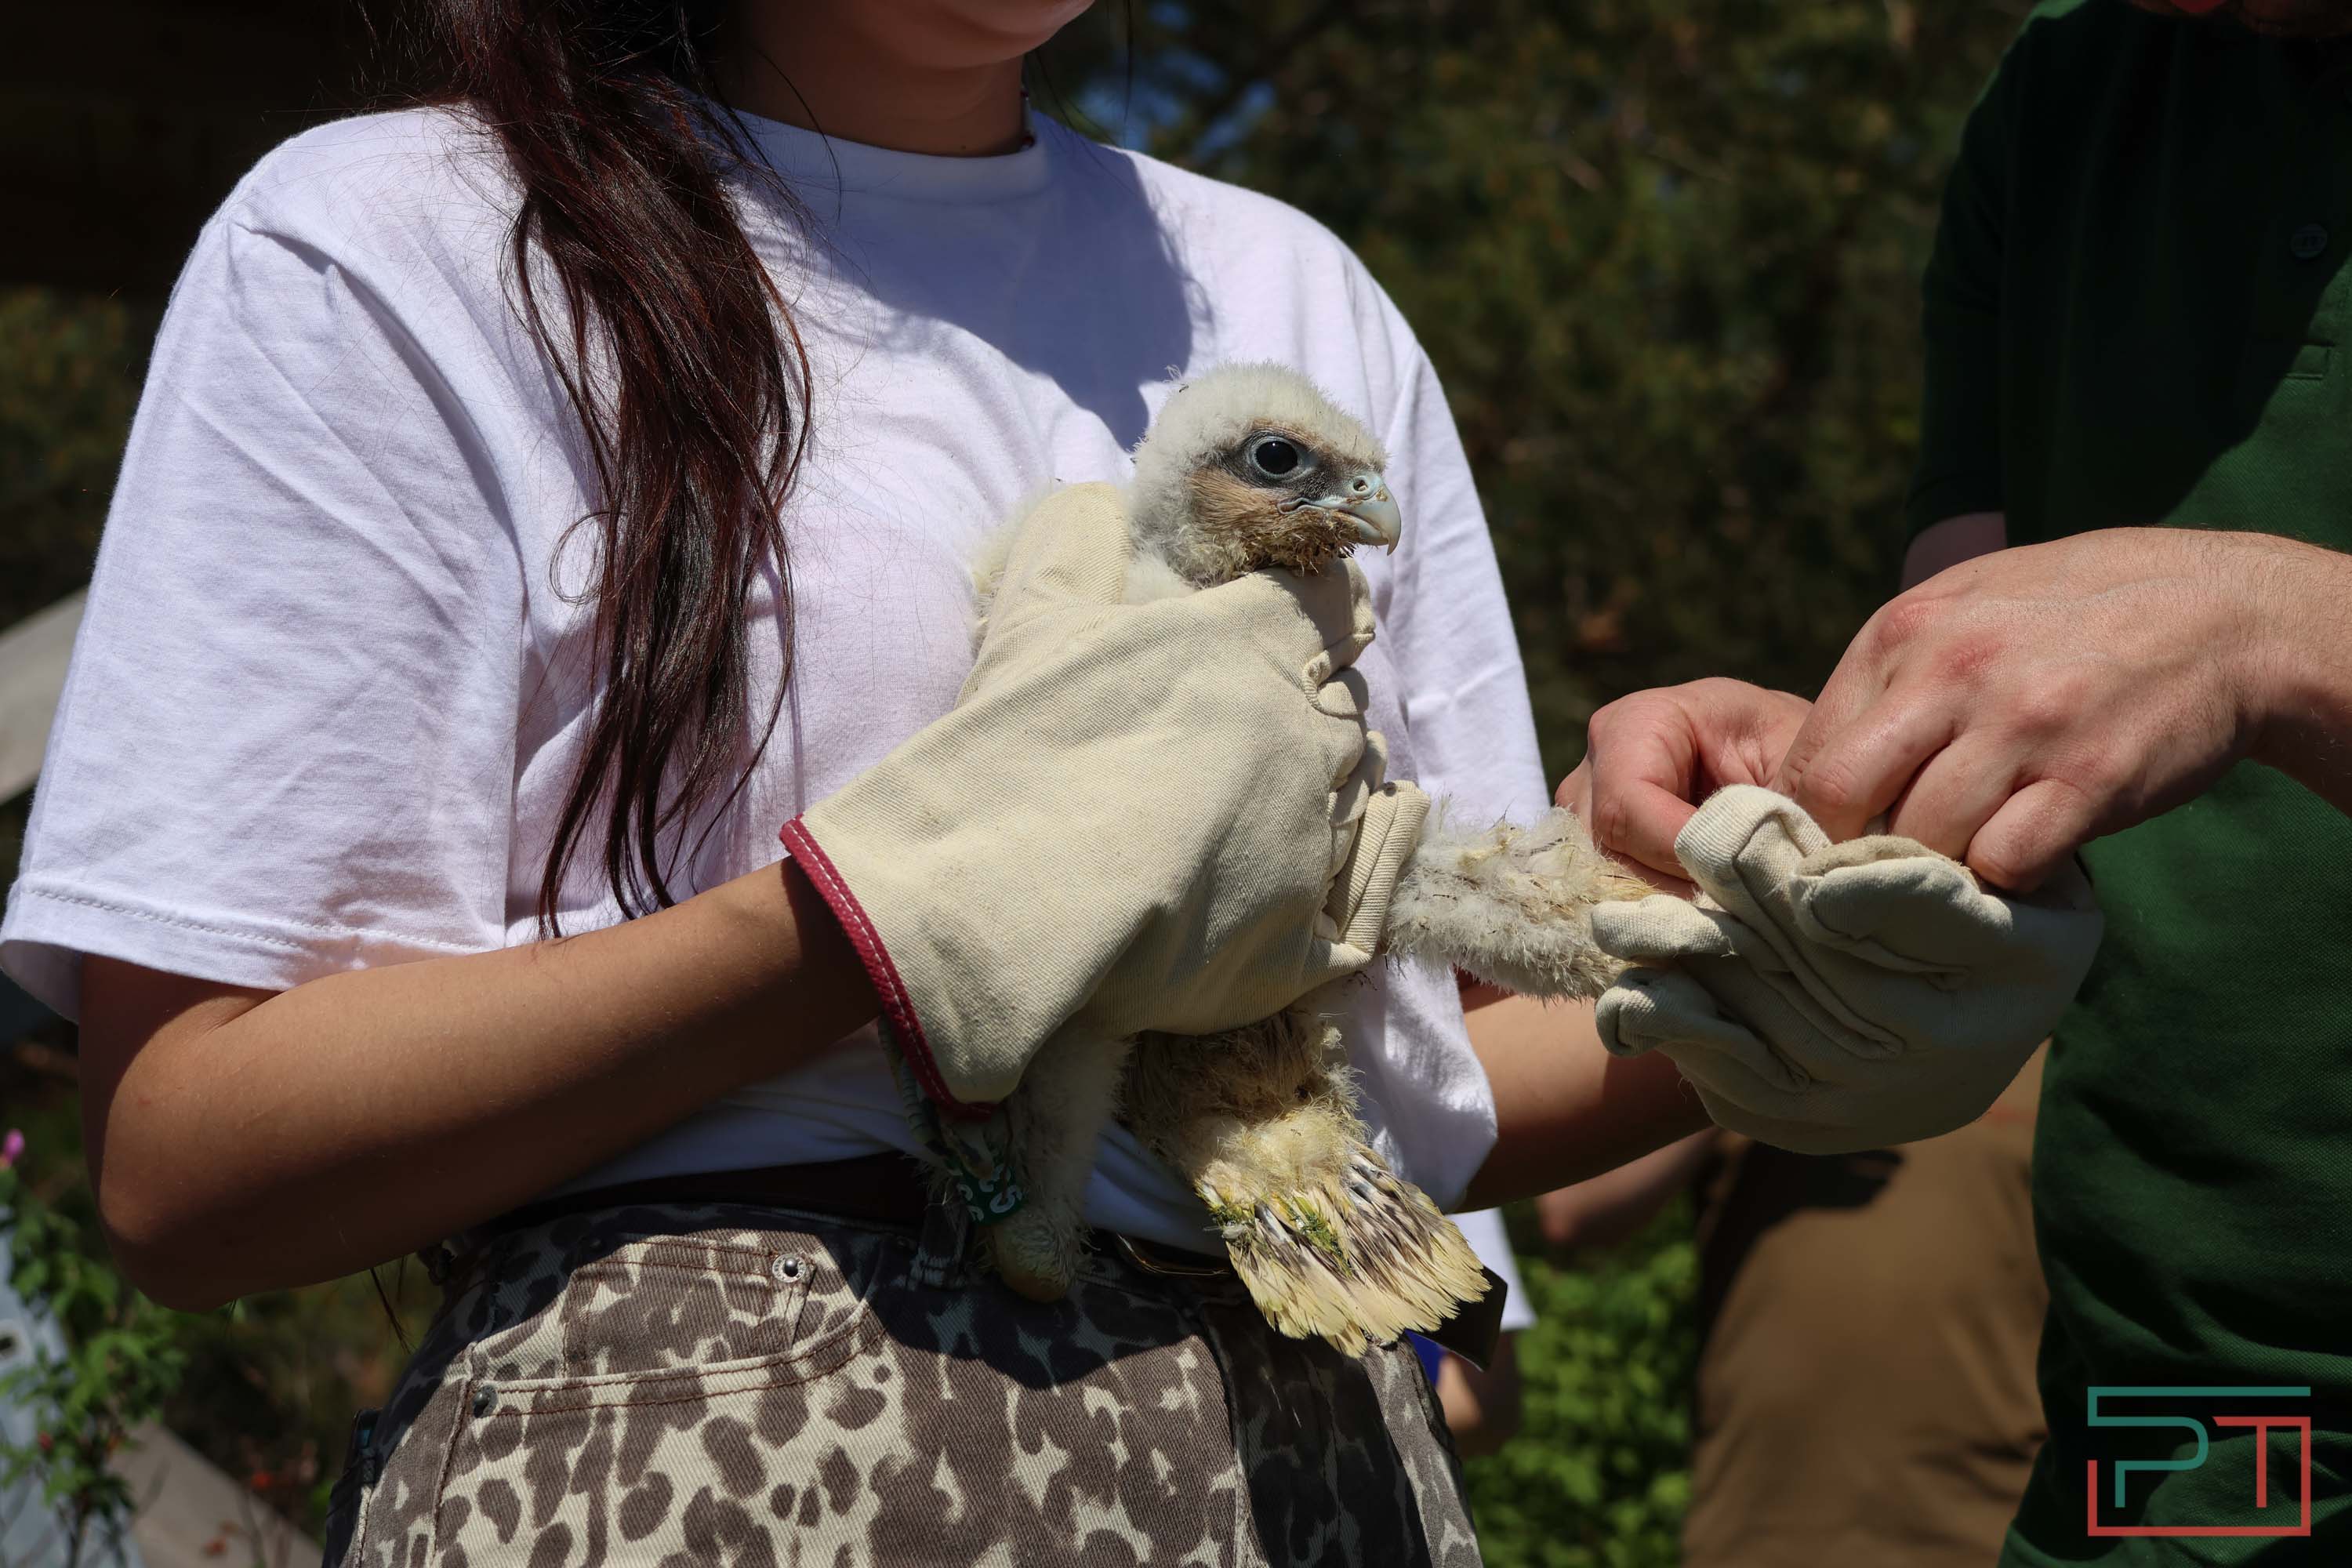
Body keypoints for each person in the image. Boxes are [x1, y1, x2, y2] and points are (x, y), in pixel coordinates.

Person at [0, 4, 1729, 1563]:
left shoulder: (1292, 296)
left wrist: (1786, 941)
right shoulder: (393, 246)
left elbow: (1440, 1074)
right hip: (697, 1461)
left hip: (1301, 1474)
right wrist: (885, 925)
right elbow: (185, 1153)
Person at [1564, 0, 2352, 1556]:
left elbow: (2196, 642)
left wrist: (2277, 633)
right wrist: (1808, 800)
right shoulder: (2069, 95)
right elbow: (2000, 674)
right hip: (2181, 1433)